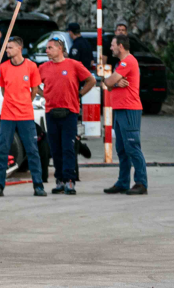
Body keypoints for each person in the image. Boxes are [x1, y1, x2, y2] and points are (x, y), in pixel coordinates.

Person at [38, 38, 96, 195]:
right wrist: (44, 95)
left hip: (69, 112)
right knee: (55, 148)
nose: (47, 50)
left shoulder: (73, 65)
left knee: (68, 147)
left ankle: (70, 180)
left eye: (50, 48)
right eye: (47, 48)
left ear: (59, 49)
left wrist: (79, 95)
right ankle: (60, 180)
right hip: (51, 112)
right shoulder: (43, 67)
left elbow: (91, 80)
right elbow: (33, 84)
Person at [0, 37, 44, 197]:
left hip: (26, 115)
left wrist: (25, 102)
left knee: (32, 150)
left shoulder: (31, 66)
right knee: (2, 150)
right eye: (6, 48)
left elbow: (34, 89)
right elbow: (4, 90)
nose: (7, 51)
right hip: (7, 115)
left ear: (19, 48)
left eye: (10, 48)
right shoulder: (4, 67)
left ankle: (38, 185)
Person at [103, 35, 148, 195]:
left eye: (113, 45)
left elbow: (107, 82)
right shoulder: (120, 64)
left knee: (132, 147)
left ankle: (141, 183)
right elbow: (107, 85)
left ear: (120, 46)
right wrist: (114, 82)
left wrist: (111, 82)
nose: (110, 48)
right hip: (120, 110)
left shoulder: (128, 61)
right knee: (122, 149)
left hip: (129, 109)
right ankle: (123, 182)